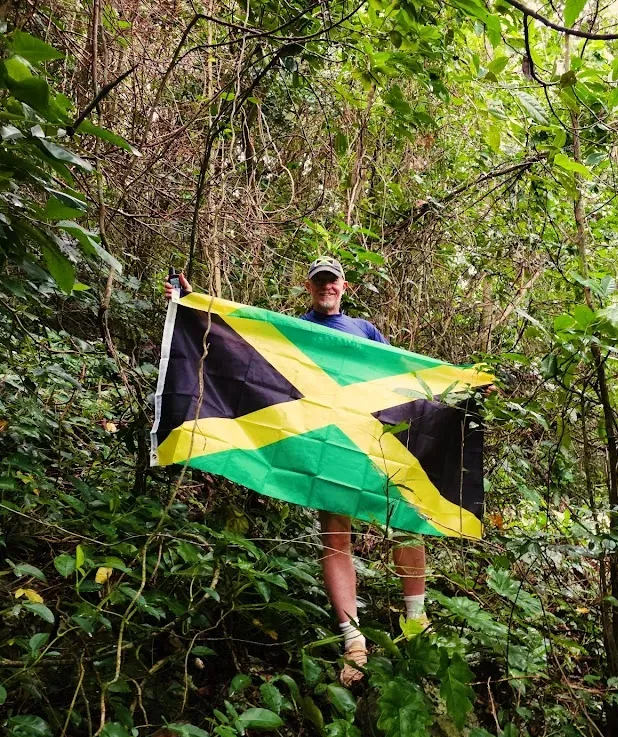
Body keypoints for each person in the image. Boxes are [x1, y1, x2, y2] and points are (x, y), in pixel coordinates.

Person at [164, 257, 427, 687]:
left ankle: (416, 622)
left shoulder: (364, 329)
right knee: (335, 537)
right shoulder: (292, 330)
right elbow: (242, 343)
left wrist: (466, 386)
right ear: (309, 286)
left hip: (368, 441)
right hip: (323, 447)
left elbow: (402, 373)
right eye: (320, 281)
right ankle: (353, 641)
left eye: (333, 281)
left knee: (407, 522)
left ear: (346, 287)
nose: (327, 287)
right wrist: (190, 303)